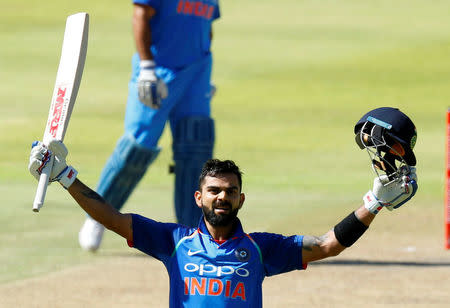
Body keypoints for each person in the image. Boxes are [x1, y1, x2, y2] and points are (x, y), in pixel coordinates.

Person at [28, 107, 418, 307]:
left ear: (240, 199)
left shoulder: (261, 248)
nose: (222, 197)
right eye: (214, 190)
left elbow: (328, 245)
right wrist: (65, 176)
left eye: (230, 191)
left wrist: (374, 203)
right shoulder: (173, 241)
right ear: (198, 198)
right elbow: (110, 217)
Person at [78, 0, 221, 251]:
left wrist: (205, 77)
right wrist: (146, 67)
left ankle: (193, 231)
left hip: (196, 73)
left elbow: (205, 28)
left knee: (195, 147)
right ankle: (97, 216)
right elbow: (140, 14)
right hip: (158, 70)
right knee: (139, 145)